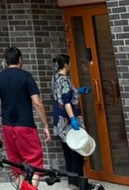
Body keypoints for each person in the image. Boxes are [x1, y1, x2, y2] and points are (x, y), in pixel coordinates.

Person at [0, 46, 52, 182]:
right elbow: (37, 103)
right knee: (35, 164)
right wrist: (45, 125)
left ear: (6, 61)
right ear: (20, 59)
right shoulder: (26, 76)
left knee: (16, 165)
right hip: (25, 126)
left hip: (7, 127)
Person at [51, 53, 92, 188]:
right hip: (68, 122)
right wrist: (73, 119)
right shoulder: (64, 80)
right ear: (66, 65)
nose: (71, 66)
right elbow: (66, 101)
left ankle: (72, 182)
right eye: (70, 64)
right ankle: (80, 183)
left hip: (59, 122)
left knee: (68, 153)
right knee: (77, 153)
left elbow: (62, 94)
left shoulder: (55, 78)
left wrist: (77, 91)